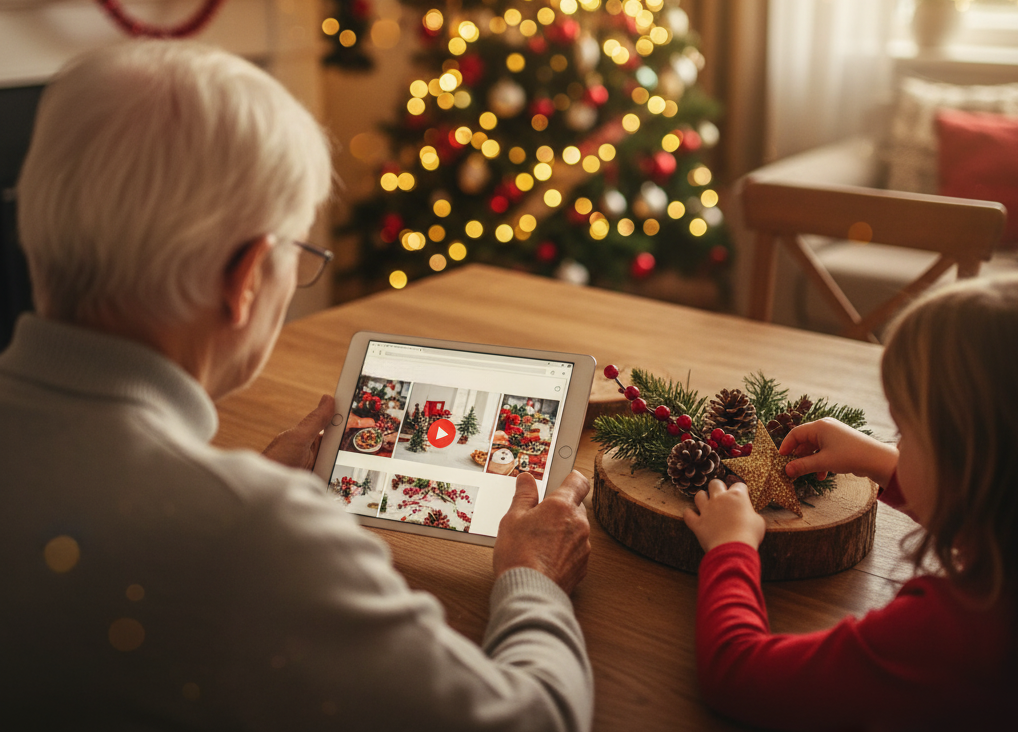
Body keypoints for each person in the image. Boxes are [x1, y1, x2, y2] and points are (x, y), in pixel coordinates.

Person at [0, 41, 593, 730]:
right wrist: (534, 578)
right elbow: (537, 720)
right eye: (299, 254)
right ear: (246, 276)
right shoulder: (256, 537)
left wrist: (232, 484)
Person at [682, 274, 1018, 730]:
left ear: (963, 462)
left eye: (905, 431)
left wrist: (731, 547)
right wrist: (881, 461)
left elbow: (735, 673)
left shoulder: (944, 637)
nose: (897, 443)